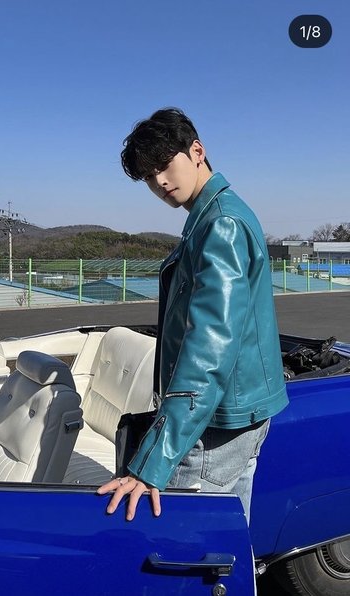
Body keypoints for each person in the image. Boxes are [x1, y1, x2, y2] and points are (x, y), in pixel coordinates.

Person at [97, 107, 289, 522]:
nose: (160, 182)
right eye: (148, 177)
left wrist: (153, 462)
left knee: (185, 545)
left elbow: (208, 348)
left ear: (197, 152)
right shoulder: (216, 215)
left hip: (212, 429)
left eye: (164, 165)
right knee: (227, 540)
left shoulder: (221, 225)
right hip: (235, 414)